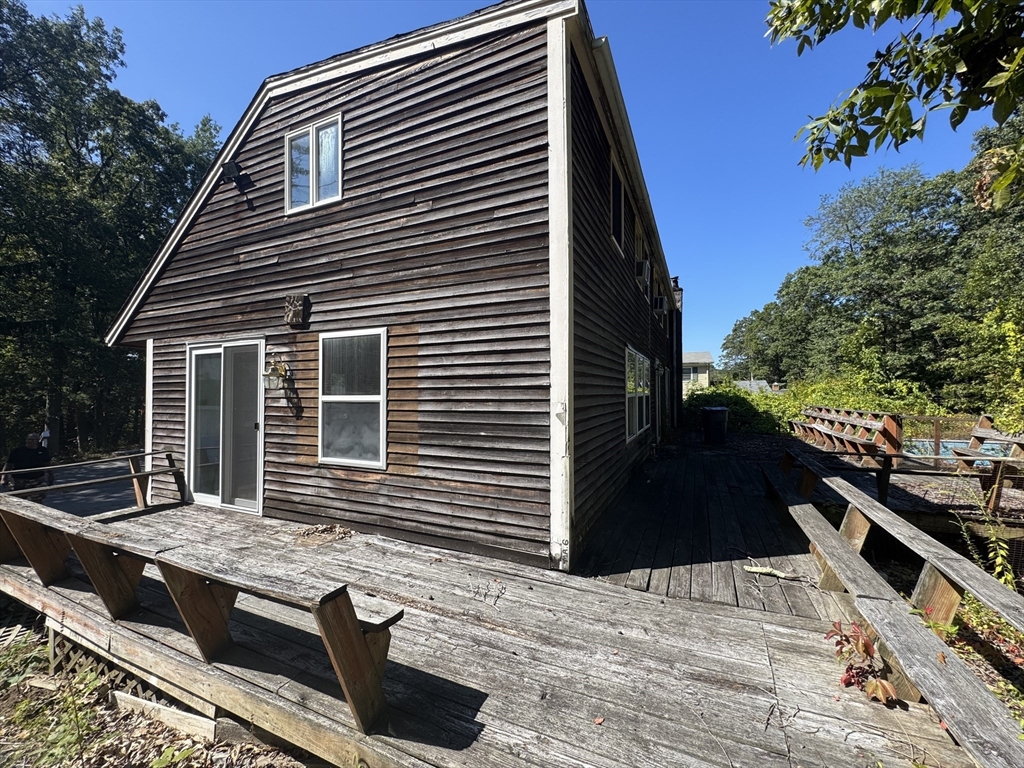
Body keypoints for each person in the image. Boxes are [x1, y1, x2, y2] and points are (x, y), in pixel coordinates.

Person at [1, 433, 54, 502]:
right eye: (28, 439)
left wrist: (51, 475)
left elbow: (48, 464)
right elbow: (8, 465)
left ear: (38, 441)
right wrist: (3, 478)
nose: (30, 441)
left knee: (37, 500)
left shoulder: (43, 451)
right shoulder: (17, 451)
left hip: (37, 479)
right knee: (18, 501)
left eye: (32, 440)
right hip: (19, 480)